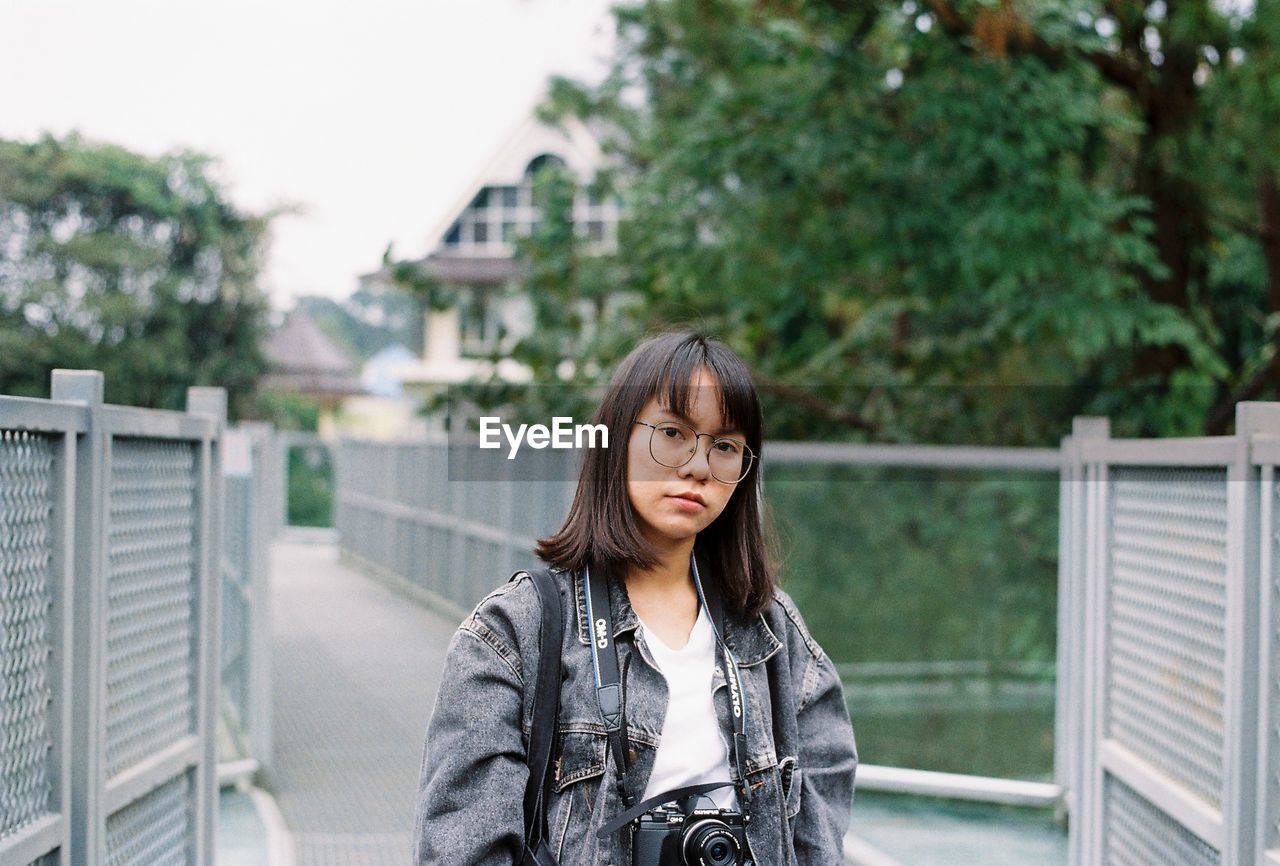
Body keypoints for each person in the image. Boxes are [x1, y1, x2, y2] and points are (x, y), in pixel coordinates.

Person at [412, 329, 857, 865]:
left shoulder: (772, 631)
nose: (697, 466)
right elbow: (463, 849)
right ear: (614, 438)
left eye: (724, 446)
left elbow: (822, 802)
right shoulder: (513, 634)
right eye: (672, 433)